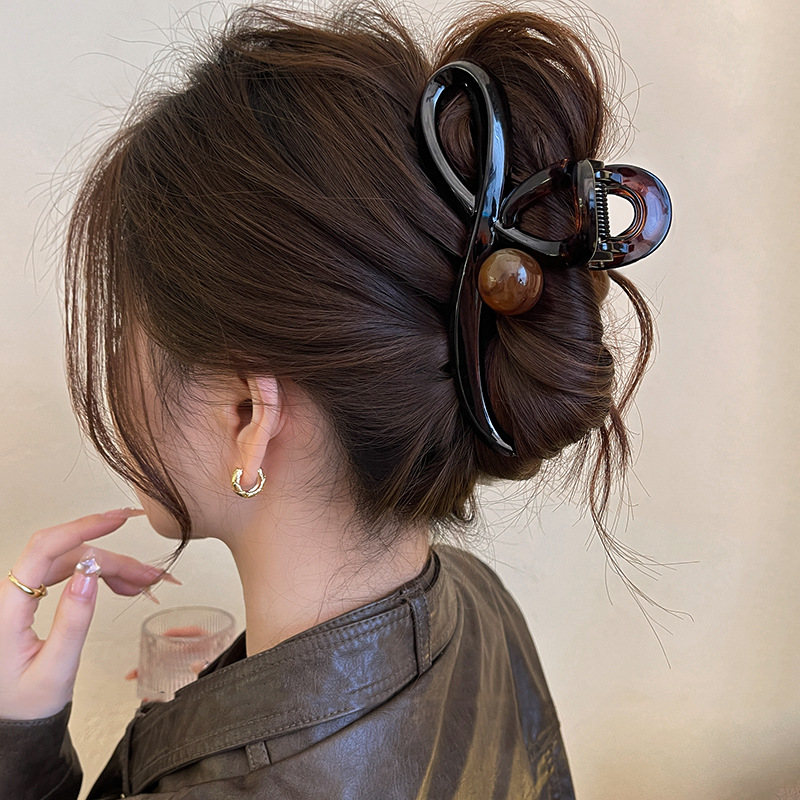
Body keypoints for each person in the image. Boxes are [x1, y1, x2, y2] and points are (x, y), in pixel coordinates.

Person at [0, 1, 671, 798]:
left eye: (125, 329)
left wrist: (17, 757)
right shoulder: (478, 605)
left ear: (248, 417)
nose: (111, 365)